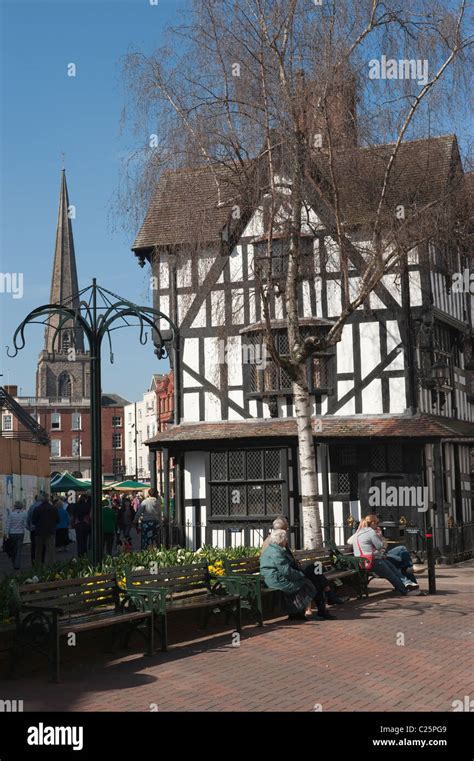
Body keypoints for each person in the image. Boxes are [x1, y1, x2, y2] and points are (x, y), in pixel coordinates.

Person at [262, 516, 344, 610]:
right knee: (314, 576)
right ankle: (328, 599)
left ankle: (327, 601)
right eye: (286, 528)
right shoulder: (274, 541)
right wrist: (299, 574)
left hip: (292, 569)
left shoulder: (278, 539)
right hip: (283, 574)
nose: (288, 530)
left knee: (315, 570)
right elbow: (279, 566)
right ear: (280, 530)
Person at [347, 514, 420, 596]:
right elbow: (379, 546)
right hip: (370, 561)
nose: (378, 525)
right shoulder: (371, 532)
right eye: (377, 523)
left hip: (366, 560)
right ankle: (405, 591)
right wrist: (381, 538)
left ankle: (407, 582)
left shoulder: (359, 533)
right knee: (391, 574)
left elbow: (350, 541)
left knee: (392, 567)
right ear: (372, 523)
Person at [260, 529, 317, 620]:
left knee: (305, 581)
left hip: (274, 578)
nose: (287, 540)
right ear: (281, 540)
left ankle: (297, 612)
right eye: (286, 538)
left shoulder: (273, 549)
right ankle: (296, 611)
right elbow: (286, 571)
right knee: (305, 583)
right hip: (275, 580)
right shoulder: (276, 552)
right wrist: (300, 575)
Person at [32, 494, 60, 568]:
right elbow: (57, 520)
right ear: (49, 500)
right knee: (50, 551)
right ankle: (51, 566)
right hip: (50, 531)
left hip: (39, 532)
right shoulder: (53, 508)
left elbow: (33, 521)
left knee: (38, 551)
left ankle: (38, 566)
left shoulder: (37, 509)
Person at [4, 501, 27, 570]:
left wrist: (6, 533)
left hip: (12, 533)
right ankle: (17, 565)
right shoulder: (24, 514)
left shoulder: (11, 514)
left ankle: (14, 562)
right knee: (19, 549)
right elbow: (25, 524)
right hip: (20, 533)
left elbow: (8, 524)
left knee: (13, 549)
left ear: (15, 506)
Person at [26, 493, 46, 565]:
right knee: (43, 545)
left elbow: (29, 517)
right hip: (43, 529)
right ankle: (42, 560)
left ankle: (34, 560)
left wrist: (29, 526)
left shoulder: (32, 507)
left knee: (34, 546)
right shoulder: (45, 506)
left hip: (34, 529)